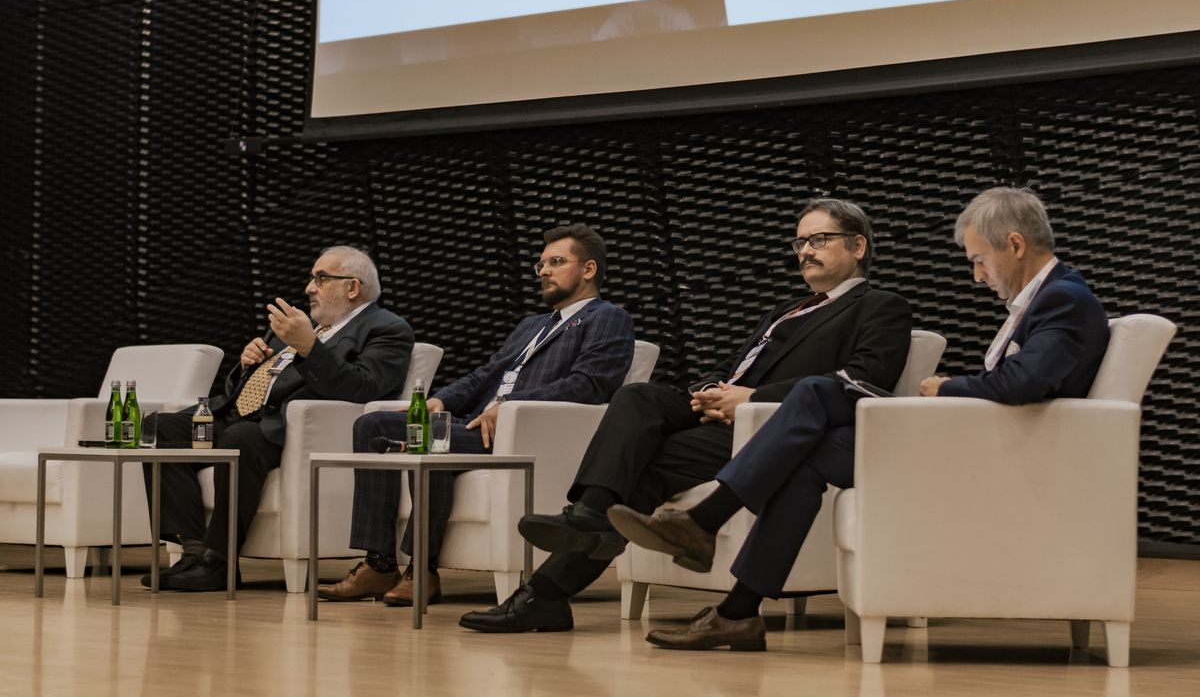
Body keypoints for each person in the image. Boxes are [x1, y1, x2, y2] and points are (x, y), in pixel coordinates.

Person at [614, 186, 1110, 651]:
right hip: (978, 441)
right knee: (804, 454)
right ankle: (738, 612)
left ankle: (705, 520)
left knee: (814, 393)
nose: (978, 276)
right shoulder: (1051, 299)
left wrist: (946, 387)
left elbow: (1024, 383)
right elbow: (1024, 381)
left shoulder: (1063, 298)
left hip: (992, 455)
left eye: (979, 260)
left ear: (1016, 245)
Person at [459, 199, 913, 633]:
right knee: (638, 398)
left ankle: (545, 593)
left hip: (771, 430)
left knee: (641, 475)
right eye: (800, 243)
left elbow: (862, 380)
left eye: (819, 240)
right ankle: (588, 514)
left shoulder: (880, 305)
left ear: (858, 245)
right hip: (721, 416)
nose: (805, 251)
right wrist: (709, 391)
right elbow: (733, 368)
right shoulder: (787, 310)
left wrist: (752, 398)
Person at [318, 223, 635, 607]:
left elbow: (589, 384)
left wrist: (512, 405)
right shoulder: (532, 325)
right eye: (541, 265)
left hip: (526, 432)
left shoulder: (607, 317)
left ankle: (422, 570)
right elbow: (486, 374)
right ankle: (379, 563)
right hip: (477, 424)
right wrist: (441, 399)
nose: (544, 271)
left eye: (556, 262)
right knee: (373, 425)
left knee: (432, 441)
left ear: (589, 269)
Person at [141, 246, 414, 592]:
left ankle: (219, 560)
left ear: (352, 287)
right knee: (157, 429)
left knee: (240, 438)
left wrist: (310, 348)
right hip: (238, 414)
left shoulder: (386, 328)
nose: (309, 288)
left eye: (321, 278)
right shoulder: (302, 326)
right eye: (312, 278)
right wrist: (247, 364)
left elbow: (365, 387)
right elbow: (248, 386)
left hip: (286, 427)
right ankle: (193, 552)